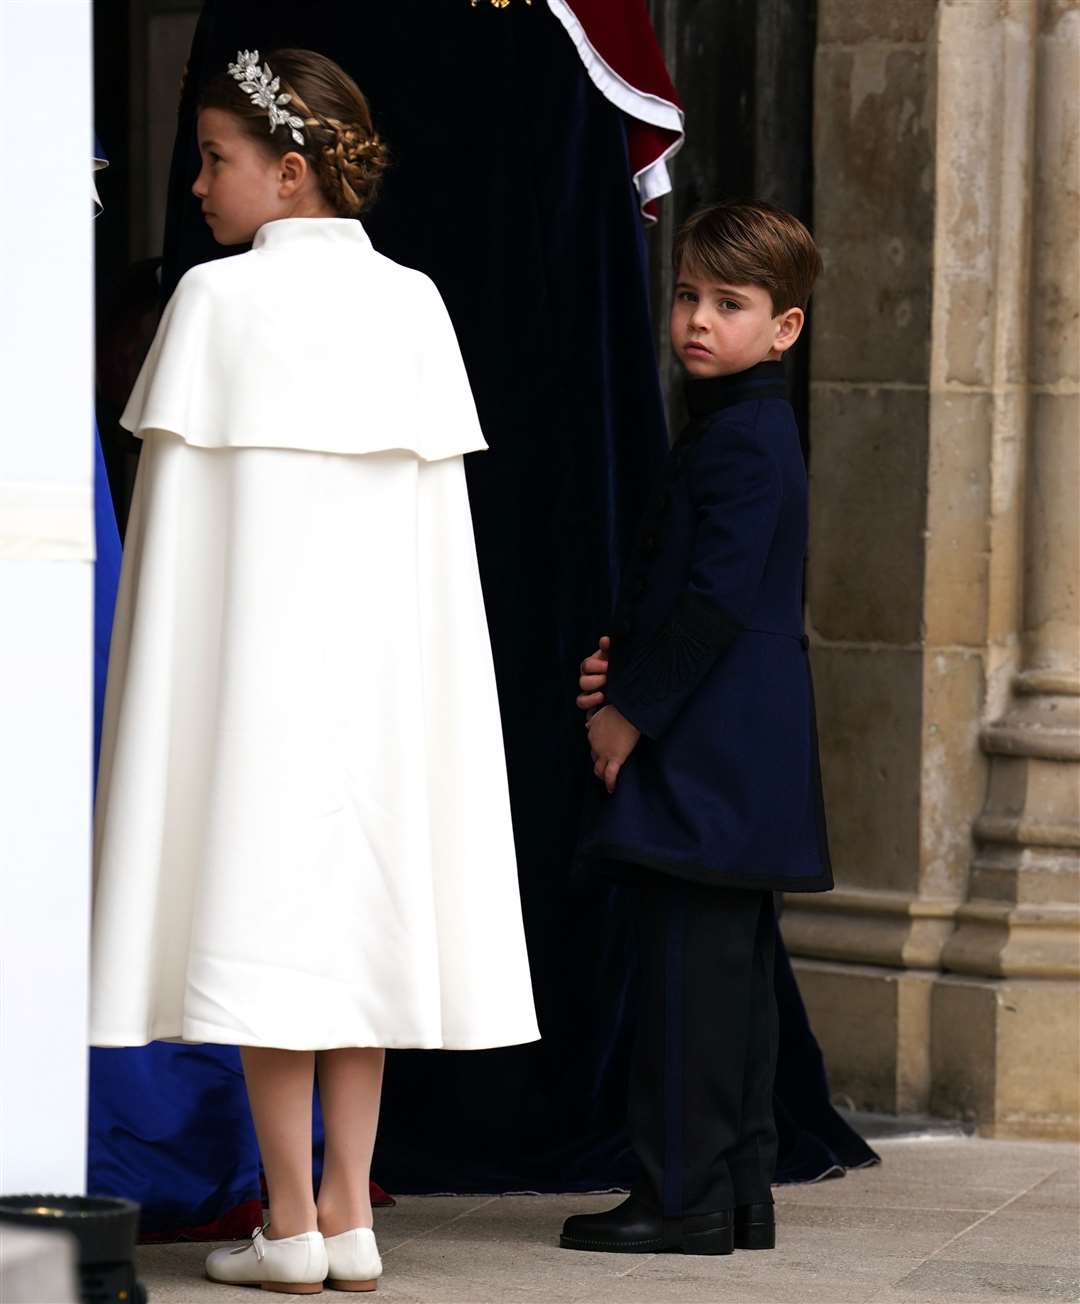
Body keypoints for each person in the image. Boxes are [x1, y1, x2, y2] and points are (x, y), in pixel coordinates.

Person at [89, 47, 539, 1294]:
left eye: (215, 159)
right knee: (359, 931)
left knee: (265, 929)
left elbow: (180, 550)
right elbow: (435, 558)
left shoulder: (220, 307)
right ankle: (347, 1213)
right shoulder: (414, 304)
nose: (196, 183)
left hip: (254, 687)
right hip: (384, 694)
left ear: (290, 175)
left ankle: (291, 1214)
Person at [560, 200, 832, 1256]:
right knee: (731, 977)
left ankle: (684, 1197)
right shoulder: (736, 428)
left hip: (709, 754)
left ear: (785, 329)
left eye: (730, 303)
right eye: (686, 296)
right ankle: (738, 1187)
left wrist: (629, 709)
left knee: (688, 984)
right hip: (725, 749)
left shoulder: (748, 441)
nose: (697, 321)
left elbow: (717, 603)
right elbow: (689, 587)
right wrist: (619, 657)